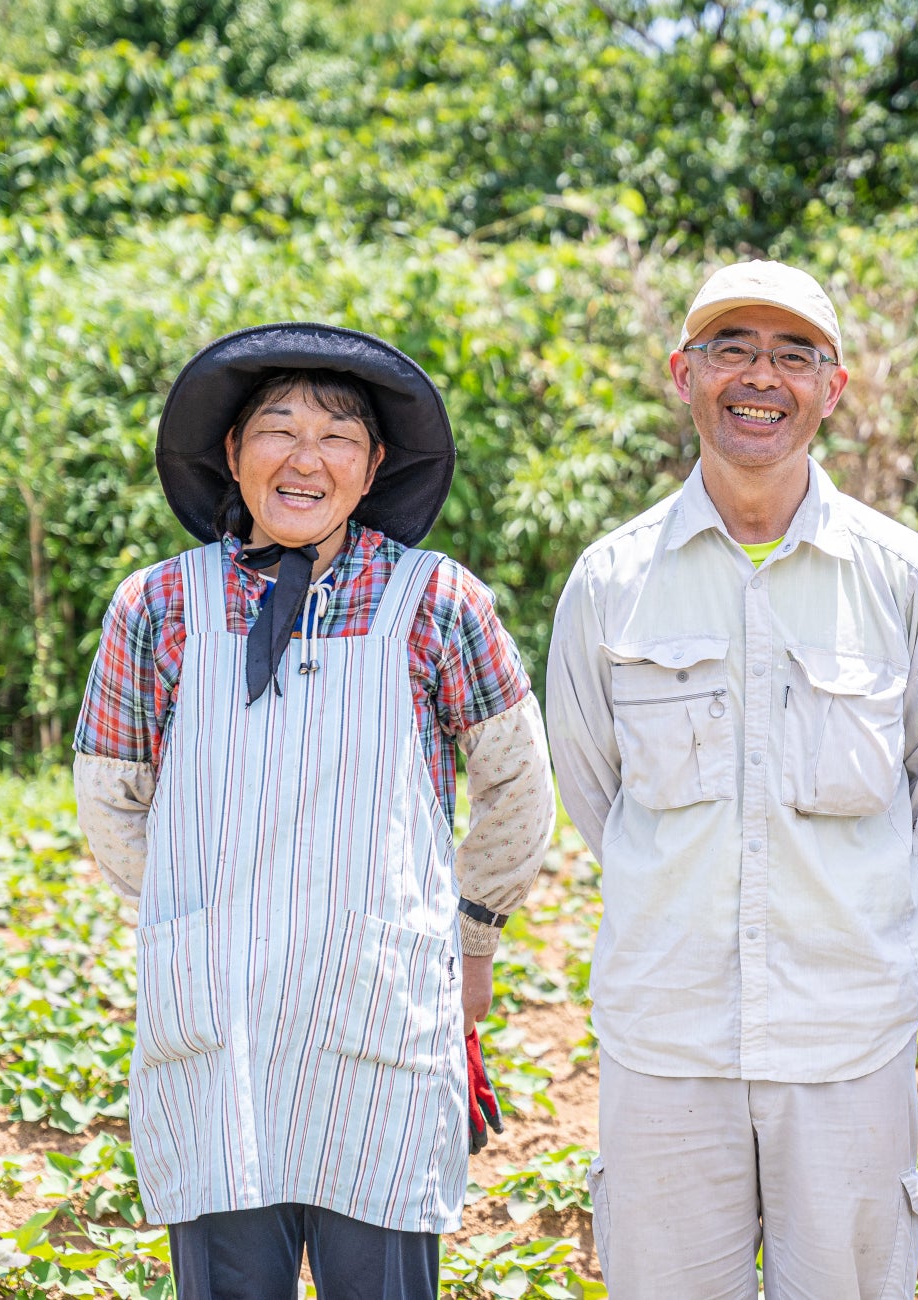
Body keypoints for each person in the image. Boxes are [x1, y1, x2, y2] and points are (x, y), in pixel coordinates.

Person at [70, 323, 555, 1300]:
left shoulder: (438, 602)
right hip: (219, 1029)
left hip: (375, 1025)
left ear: (373, 467)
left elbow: (518, 782)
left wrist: (472, 933)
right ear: (230, 454)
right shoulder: (156, 606)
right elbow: (112, 803)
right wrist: (194, 915)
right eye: (277, 428)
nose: (306, 456)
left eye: (338, 434)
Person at [544, 260, 918, 1299]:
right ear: (683, 374)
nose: (761, 377)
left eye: (795, 355)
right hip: (667, 1040)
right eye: (733, 348)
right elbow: (593, 788)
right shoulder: (611, 582)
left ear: (834, 389)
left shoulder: (900, 575)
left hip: (846, 1041)